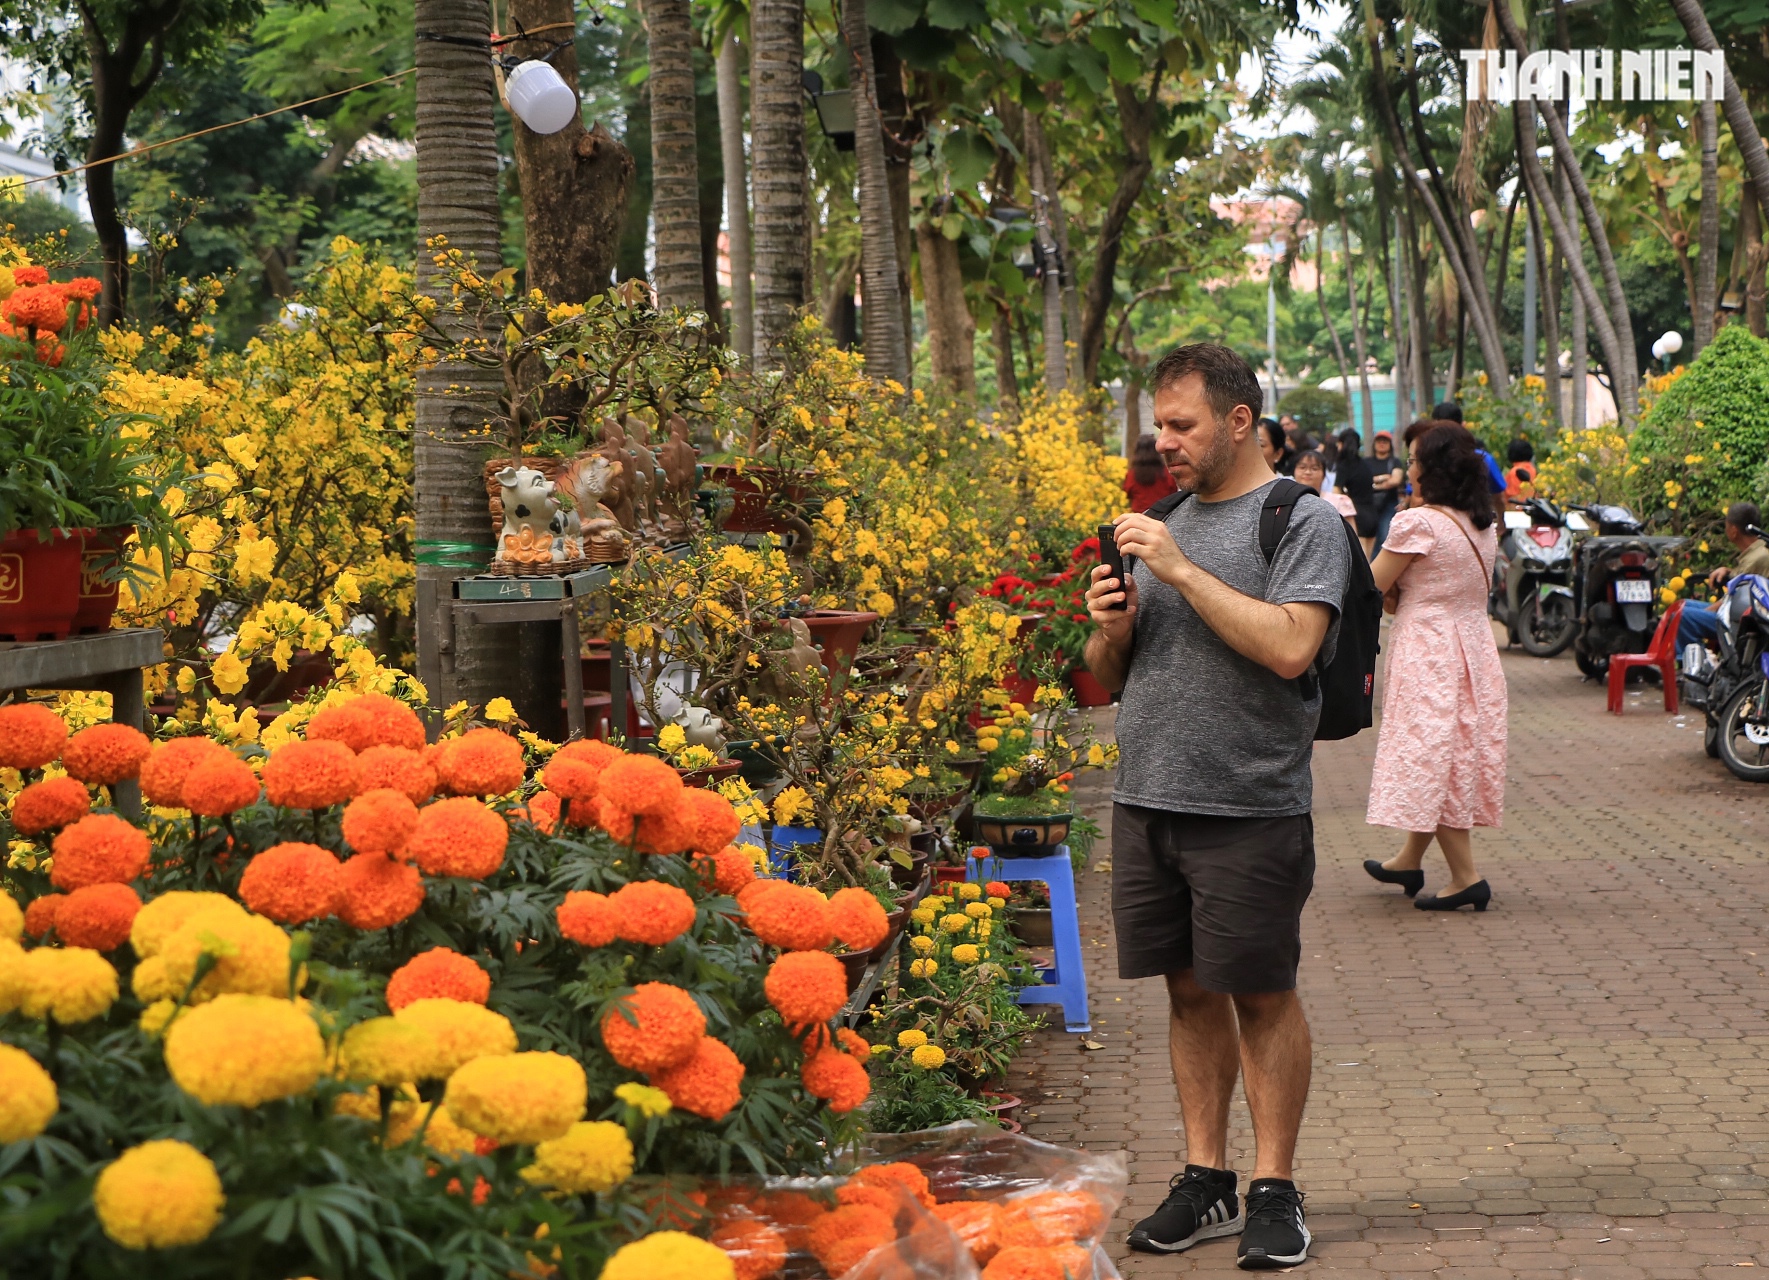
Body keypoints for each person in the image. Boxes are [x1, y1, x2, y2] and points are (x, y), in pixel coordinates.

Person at [1084, 342, 1350, 1269]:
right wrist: (1109, 628)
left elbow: (1289, 648)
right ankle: (1206, 1180)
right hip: (1147, 793)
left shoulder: (1301, 521)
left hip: (1247, 803)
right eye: (1159, 424)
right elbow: (1110, 678)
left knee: (1261, 996)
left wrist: (1183, 569)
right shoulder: (1156, 523)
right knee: (1188, 994)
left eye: (1182, 424)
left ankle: (1275, 1188)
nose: (1165, 442)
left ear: (1238, 421)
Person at [1362, 423, 1506, 912]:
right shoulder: (1482, 522)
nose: (1409, 469)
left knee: (1433, 757)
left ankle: (1466, 877)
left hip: (1429, 650)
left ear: (1433, 468)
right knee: (1451, 751)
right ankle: (1408, 859)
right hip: (1475, 649)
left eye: (1415, 460)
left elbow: (1372, 586)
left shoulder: (1416, 523)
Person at [1678, 503, 1769, 651]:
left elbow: (1733, 597)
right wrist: (1727, 570)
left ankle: (1691, 666)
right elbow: (1742, 577)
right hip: (1734, 612)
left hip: (1740, 622)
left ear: (1734, 530)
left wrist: (1707, 611)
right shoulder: (1756, 552)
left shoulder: (1757, 558)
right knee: (1683, 605)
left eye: (1726, 525)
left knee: (1683, 616)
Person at [1333, 429, 1378, 556]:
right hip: (1372, 514)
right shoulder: (1365, 465)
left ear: (1341, 444)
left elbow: (1336, 491)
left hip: (1356, 515)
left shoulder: (1344, 465)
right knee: (1368, 561)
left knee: (1359, 562)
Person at [1292, 450, 1356, 527]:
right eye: (1302, 467)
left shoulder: (1339, 502)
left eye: (1314, 468)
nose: (1307, 472)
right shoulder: (1286, 502)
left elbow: (1352, 536)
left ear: (1324, 474)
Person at [1123, 432, 1179, 512]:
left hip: (1139, 518)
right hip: (1163, 516)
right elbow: (1174, 494)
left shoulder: (1132, 474)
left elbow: (1128, 493)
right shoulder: (1167, 473)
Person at [1369, 431, 1404, 549]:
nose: (1382, 444)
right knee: (1370, 540)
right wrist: (1383, 477)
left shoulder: (1395, 462)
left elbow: (1395, 480)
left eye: (1385, 441)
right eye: (1379, 441)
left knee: (1385, 536)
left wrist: (1373, 484)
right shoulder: (1367, 462)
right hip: (1370, 505)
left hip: (1389, 504)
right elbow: (1363, 480)